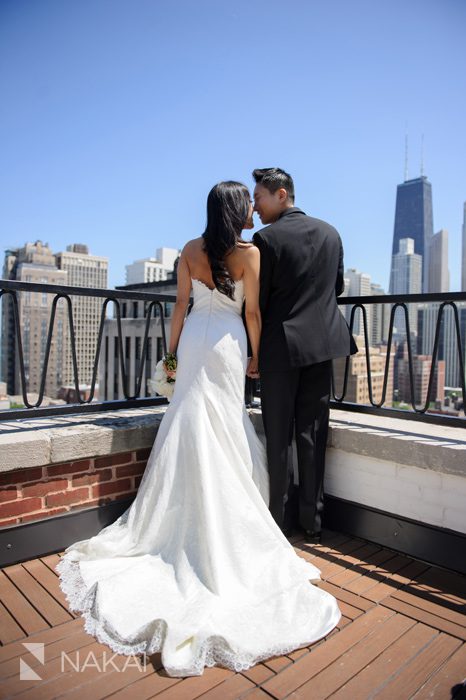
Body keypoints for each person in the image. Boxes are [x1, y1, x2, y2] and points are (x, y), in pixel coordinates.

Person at [56, 181, 341, 678]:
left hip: (193, 345)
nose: (253, 207)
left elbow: (181, 306)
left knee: (187, 420)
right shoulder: (248, 254)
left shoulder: (189, 250)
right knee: (223, 424)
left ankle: (177, 518)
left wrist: (171, 357)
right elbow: (252, 312)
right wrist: (255, 354)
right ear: (237, 210)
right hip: (228, 345)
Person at [252, 168, 357, 542]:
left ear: (281, 195)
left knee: (279, 437)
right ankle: (312, 521)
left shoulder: (265, 239)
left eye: (259, 198)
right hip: (323, 345)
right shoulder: (331, 232)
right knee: (312, 433)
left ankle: (279, 521)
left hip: (281, 349)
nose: (255, 206)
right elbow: (338, 286)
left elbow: (257, 303)